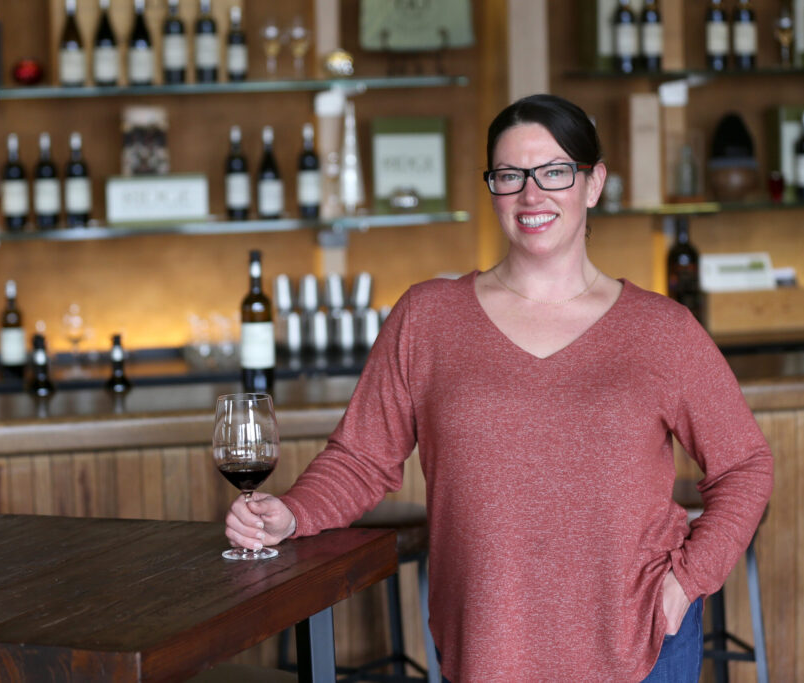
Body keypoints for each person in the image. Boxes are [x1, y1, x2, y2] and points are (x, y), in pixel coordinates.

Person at [225, 94, 774, 683]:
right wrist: (292, 513)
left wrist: (686, 582)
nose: (531, 195)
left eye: (554, 172)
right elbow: (360, 458)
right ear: (493, 189)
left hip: (639, 647)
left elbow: (745, 466)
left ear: (593, 184)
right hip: (488, 648)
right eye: (511, 175)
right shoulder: (428, 317)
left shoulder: (661, 329)